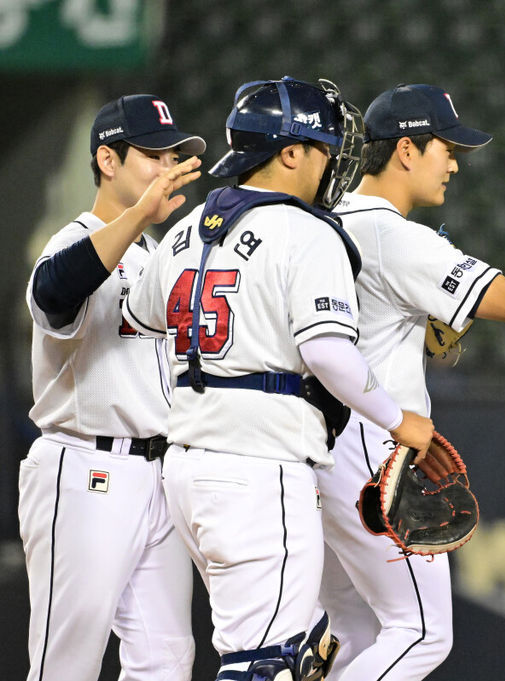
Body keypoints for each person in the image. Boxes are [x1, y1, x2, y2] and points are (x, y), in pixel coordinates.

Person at [122, 77, 435, 679]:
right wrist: (401, 421)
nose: (330, 164)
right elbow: (328, 352)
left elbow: (141, 315)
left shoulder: (186, 232)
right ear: (289, 152)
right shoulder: (306, 231)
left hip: (188, 469)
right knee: (266, 664)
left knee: (304, 643)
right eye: (321, 148)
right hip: (259, 470)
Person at [314, 83, 505, 680]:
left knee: (353, 631)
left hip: (317, 442)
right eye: (445, 147)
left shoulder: (331, 222)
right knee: (423, 634)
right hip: (370, 441)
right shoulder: (393, 235)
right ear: (406, 150)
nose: (454, 162)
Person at [21, 95, 204, 679]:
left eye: (174, 155)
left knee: (167, 660)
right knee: (65, 662)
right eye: (153, 154)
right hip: (83, 469)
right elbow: (52, 293)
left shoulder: (155, 254)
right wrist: (137, 219)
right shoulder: (69, 240)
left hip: (157, 472)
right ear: (107, 159)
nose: (167, 167)